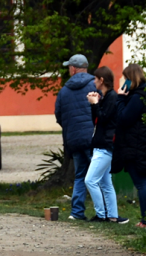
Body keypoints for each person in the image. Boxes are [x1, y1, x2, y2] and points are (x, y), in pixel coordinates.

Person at [54, 54, 97, 221]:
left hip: (74, 139)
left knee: (80, 175)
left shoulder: (64, 91)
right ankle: (104, 211)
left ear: (73, 68)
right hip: (94, 138)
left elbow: (58, 115)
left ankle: (77, 211)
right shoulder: (95, 84)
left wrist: (70, 127)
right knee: (98, 175)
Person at [115, 63, 146, 228]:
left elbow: (124, 119)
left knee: (141, 184)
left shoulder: (136, 98)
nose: (122, 80)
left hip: (136, 146)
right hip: (144, 144)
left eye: (124, 78)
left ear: (130, 79)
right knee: (145, 183)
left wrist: (120, 97)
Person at [85, 66, 128, 224]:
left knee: (90, 180)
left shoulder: (112, 97)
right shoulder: (106, 97)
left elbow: (103, 118)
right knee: (105, 182)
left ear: (102, 80)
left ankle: (101, 214)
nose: (94, 82)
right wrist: (94, 104)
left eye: (96, 79)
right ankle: (112, 216)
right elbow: (96, 121)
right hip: (101, 144)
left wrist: (95, 104)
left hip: (105, 146)